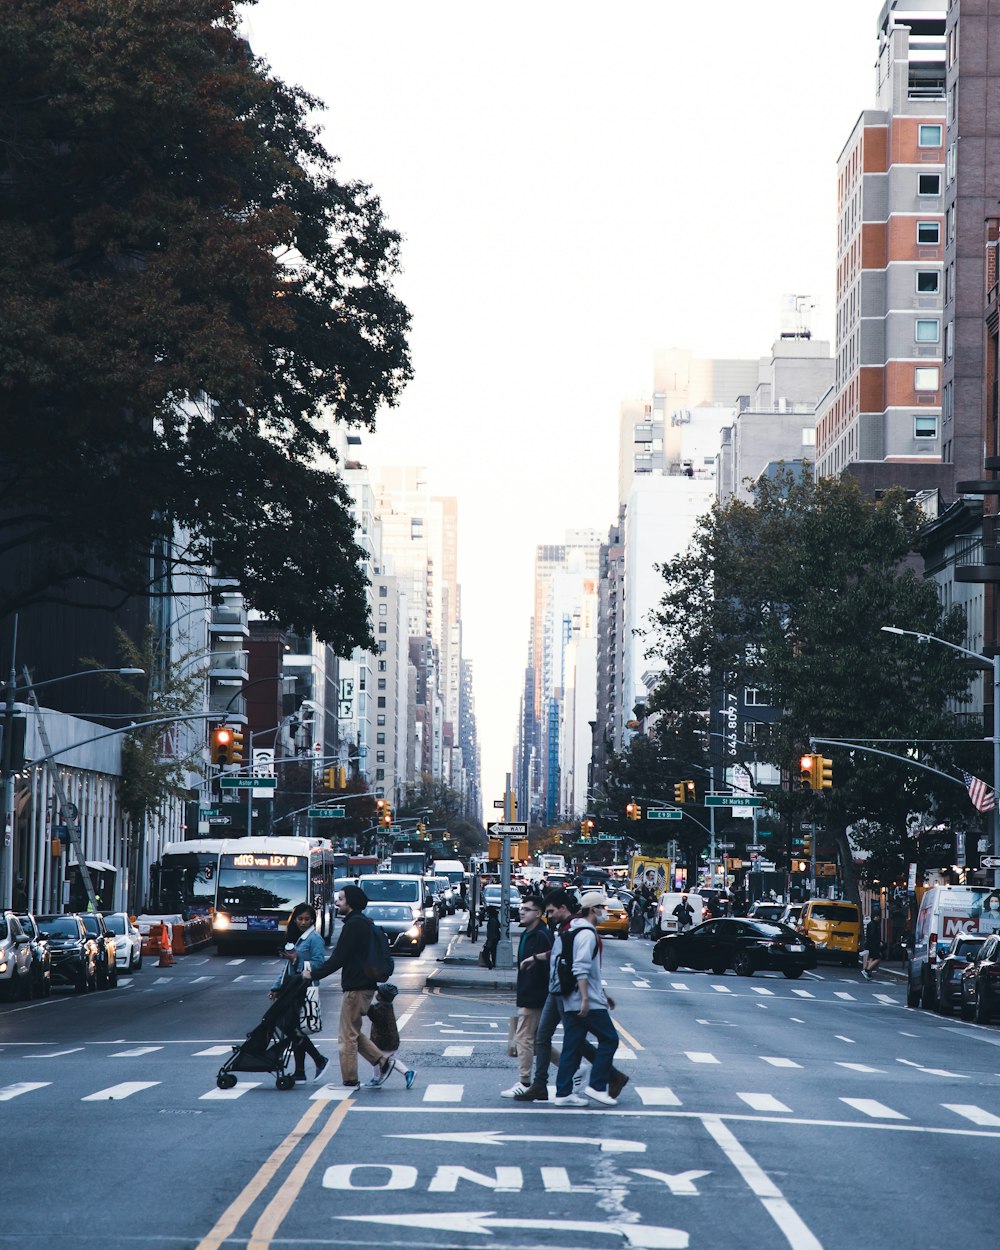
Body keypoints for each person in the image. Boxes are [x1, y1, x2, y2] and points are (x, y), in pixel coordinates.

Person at [516, 889, 628, 1103]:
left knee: (573, 1039)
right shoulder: (574, 929)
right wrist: (536, 958)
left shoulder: (575, 929)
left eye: (550, 911)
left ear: (563, 908)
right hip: (564, 991)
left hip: (567, 991)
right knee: (566, 1038)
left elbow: (583, 966)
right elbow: (573, 962)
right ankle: (570, 1086)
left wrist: (594, 994)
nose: (549, 916)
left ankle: (577, 1085)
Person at [305, 885, 393, 1088]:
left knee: (347, 1037)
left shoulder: (354, 925)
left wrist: (313, 975)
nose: (337, 903)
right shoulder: (362, 923)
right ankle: (382, 1061)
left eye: (341, 899)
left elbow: (338, 959)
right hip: (364, 986)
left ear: (351, 902)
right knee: (352, 1032)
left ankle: (350, 1079)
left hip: (356, 987)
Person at [553, 892, 620, 1106]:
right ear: (593, 909)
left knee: (572, 1045)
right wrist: (585, 999)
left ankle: (563, 1093)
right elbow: (580, 968)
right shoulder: (587, 934)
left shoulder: (573, 929)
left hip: (572, 997)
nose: (604, 912)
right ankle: (597, 1086)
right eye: (602, 907)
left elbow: (588, 972)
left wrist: (604, 994)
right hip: (586, 1000)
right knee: (609, 1039)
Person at [269, 903, 329, 1083]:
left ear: (313, 920)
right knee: (294, 1029)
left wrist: (297, 959)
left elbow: (319, 964)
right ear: (294, 919)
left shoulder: (315, 939)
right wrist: (275, 987)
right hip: (291, 987)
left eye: (307, 919)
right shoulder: (298, 938)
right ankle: (300, 1072)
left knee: (290, 1026)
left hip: (304, 988)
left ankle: (319, 1059)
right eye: (300, 919)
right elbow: (287, 968)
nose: (303, 922)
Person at [501, 896, 552, 1098]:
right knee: (538, 1041)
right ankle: (576, 1068)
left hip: (535, 995)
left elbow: (548, 966)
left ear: (538, 914)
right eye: (521, 908)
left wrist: (537, 994)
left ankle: (525, 1081)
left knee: (523, 1037)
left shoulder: (542, 935)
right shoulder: (526, 934)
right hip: (527, 993)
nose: (521, 912)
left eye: (527, 909)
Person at [365, 983, 415, 1089]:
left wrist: (367, 1005)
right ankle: (408, 1073)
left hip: (384, 1041)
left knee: (376, 1058)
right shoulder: (387, 1006)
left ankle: (376, 1079)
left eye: (378, 993)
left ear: (381, 996)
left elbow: (373, 1015)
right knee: (391, 1059)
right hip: (390, 1040)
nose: (376, 994)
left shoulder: (381, 1008)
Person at [862, 915, 883, 980]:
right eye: (878, 916)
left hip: (871, 944)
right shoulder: (874, 924)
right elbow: (873, 935)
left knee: (872, 958)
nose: (879, 918)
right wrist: (878, 942)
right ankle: (867, 970)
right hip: (873, 944)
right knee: (878, 958)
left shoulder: (872, 924)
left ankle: (868, 972)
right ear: (875, 917)